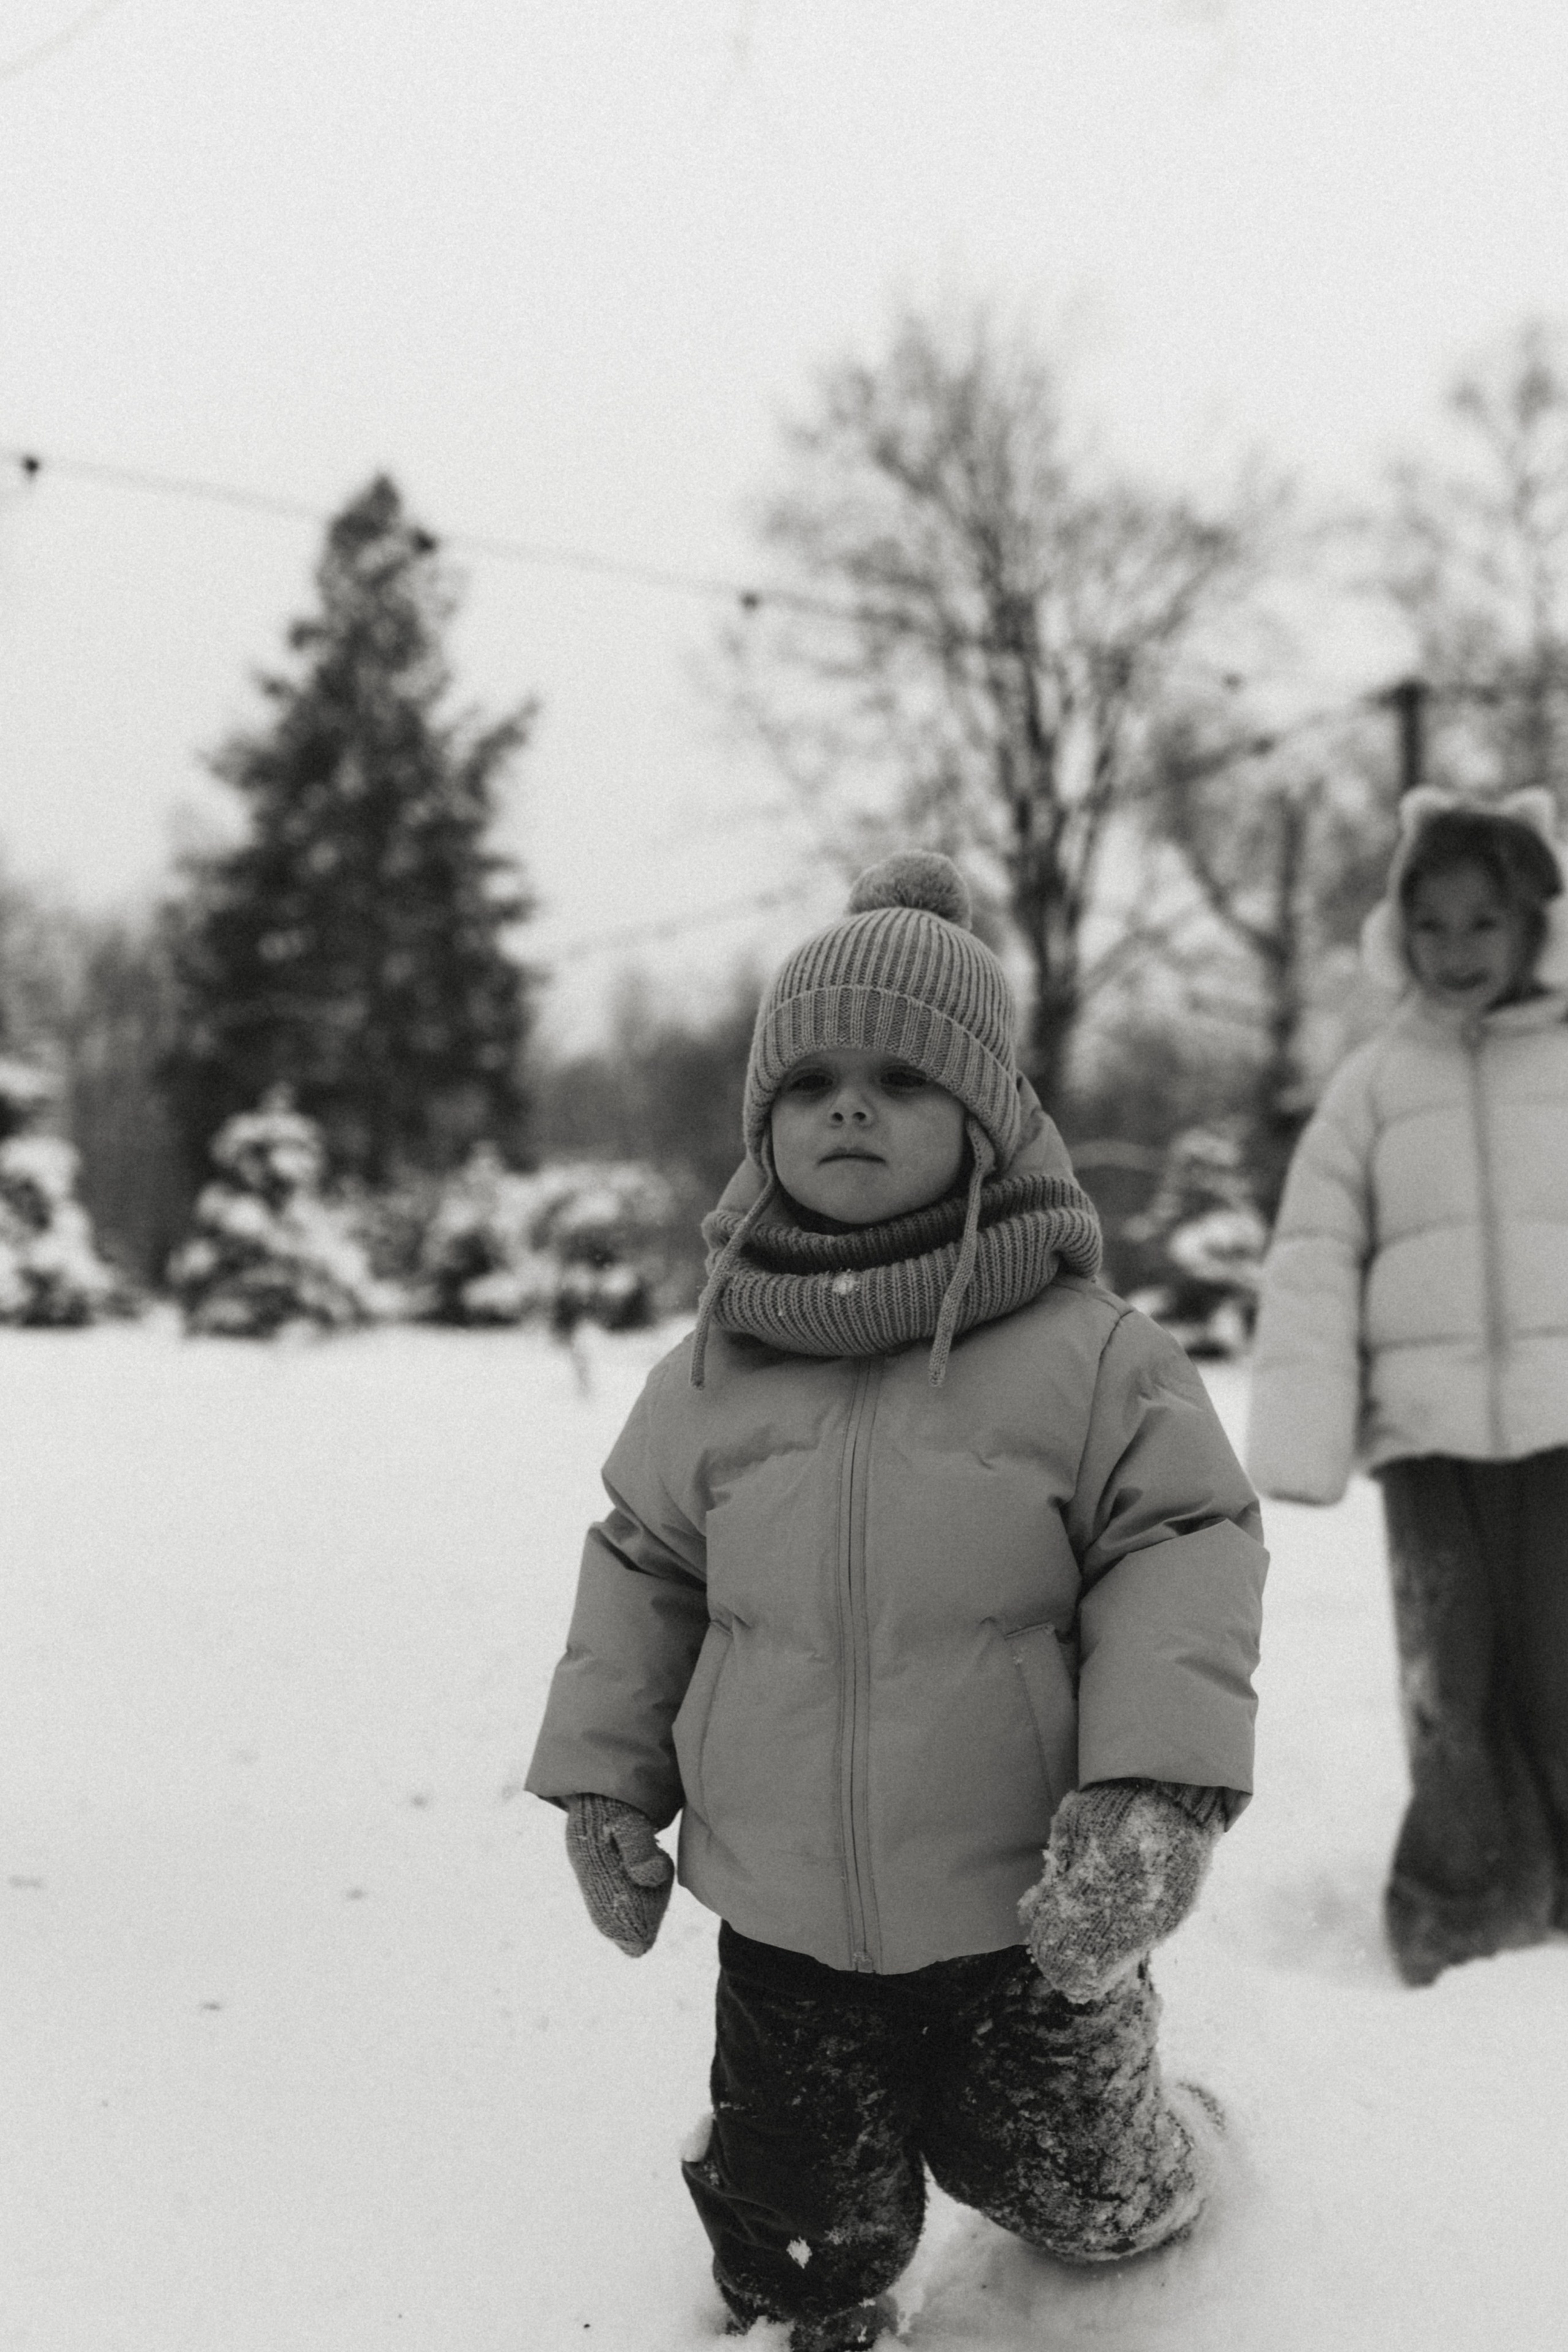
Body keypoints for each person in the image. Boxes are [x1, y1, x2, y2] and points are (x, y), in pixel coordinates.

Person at [527, 852, 1267, 2351]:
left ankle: (1167, 2140)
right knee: (799, 2238)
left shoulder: (1091, 1355)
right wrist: (608, 1785)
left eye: (897, 1079)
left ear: (989, 1117)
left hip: (1023, 1917)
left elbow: (1180, 1544)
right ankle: (800, 2263)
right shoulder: (716, 1371)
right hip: (785, 1918)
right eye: (808, 1082)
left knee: (1075, 2188)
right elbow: (645, 1566)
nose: (846, 1107)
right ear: (763, 1125)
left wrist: (1153, 1790)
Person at [1247, 787, 1568, 1988]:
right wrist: (1299, 1433)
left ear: (1533, 921)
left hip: (1559, 1430)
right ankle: (1459, 1892)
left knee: (1559, 1672)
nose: (1454, 951)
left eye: (1480, 923)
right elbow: (1315, 1253)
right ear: (1398, 930)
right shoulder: (1372, 1087)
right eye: (1428, 925)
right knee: (1450, 1677)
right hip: (1424, 1442)